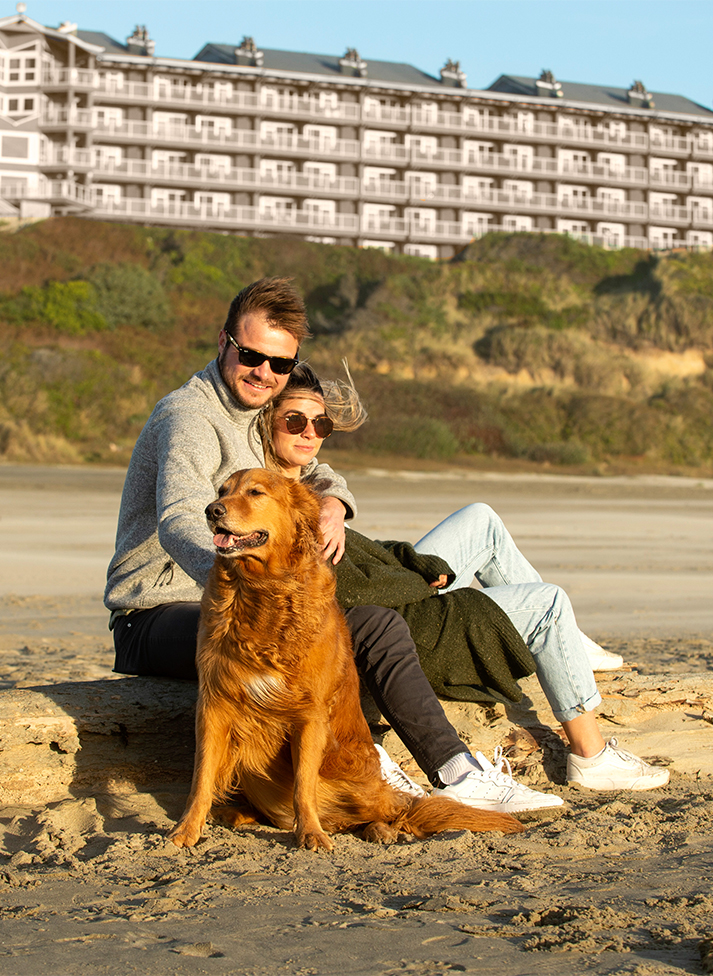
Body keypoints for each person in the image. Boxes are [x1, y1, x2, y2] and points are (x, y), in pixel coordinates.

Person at [105, 276, 571, 816]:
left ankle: (403, 759)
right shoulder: (189, 417)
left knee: (337, 622)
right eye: (252, 355)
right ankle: (438, 767)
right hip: (157, 610)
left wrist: (334, 505)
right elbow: (178, 520)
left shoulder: (257, 407)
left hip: (237, 600)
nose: (265, 373)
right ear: (223, 343)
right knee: (360, 624)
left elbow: (313, 468)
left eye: (280, 364)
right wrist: (241, 580)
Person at [258, 361, 671, 795]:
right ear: (269, 422)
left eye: (320, 423)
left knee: (481, 520)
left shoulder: (311, 483)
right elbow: (350, 590)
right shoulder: (275, 505)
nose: (310, 432)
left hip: (402, 594)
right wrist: (420, 578)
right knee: (550, 603)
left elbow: (368, 556)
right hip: (404, 621)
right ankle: (592, 756)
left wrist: (351, 515)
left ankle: (574, 646)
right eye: (295, 421)